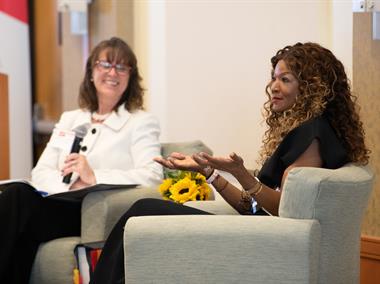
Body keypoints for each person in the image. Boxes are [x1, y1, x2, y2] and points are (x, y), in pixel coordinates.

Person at [90, 42, 370, 284]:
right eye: (274, 78)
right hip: (266, 232)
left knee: (143, 209)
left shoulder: (312, 135)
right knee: (142, 216)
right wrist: (209, 172)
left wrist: (240, 174)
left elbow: (285, 213)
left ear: (311, 87)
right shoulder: (313, 131)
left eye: (285, 79)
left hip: (269, 242)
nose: (273, 87)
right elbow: (256, 208)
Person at [0, 37, 163, 283]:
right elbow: (41, 171)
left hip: (93, 211)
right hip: (57, 202)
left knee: (17, 198)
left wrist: (93, 176)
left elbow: (152, 175)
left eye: (121, 67)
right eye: (105, 64)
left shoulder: (140, 121)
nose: (112, 73)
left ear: (131, 77)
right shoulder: (71, 119)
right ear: (91, 72)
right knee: (16, 194)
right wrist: (67, 185)